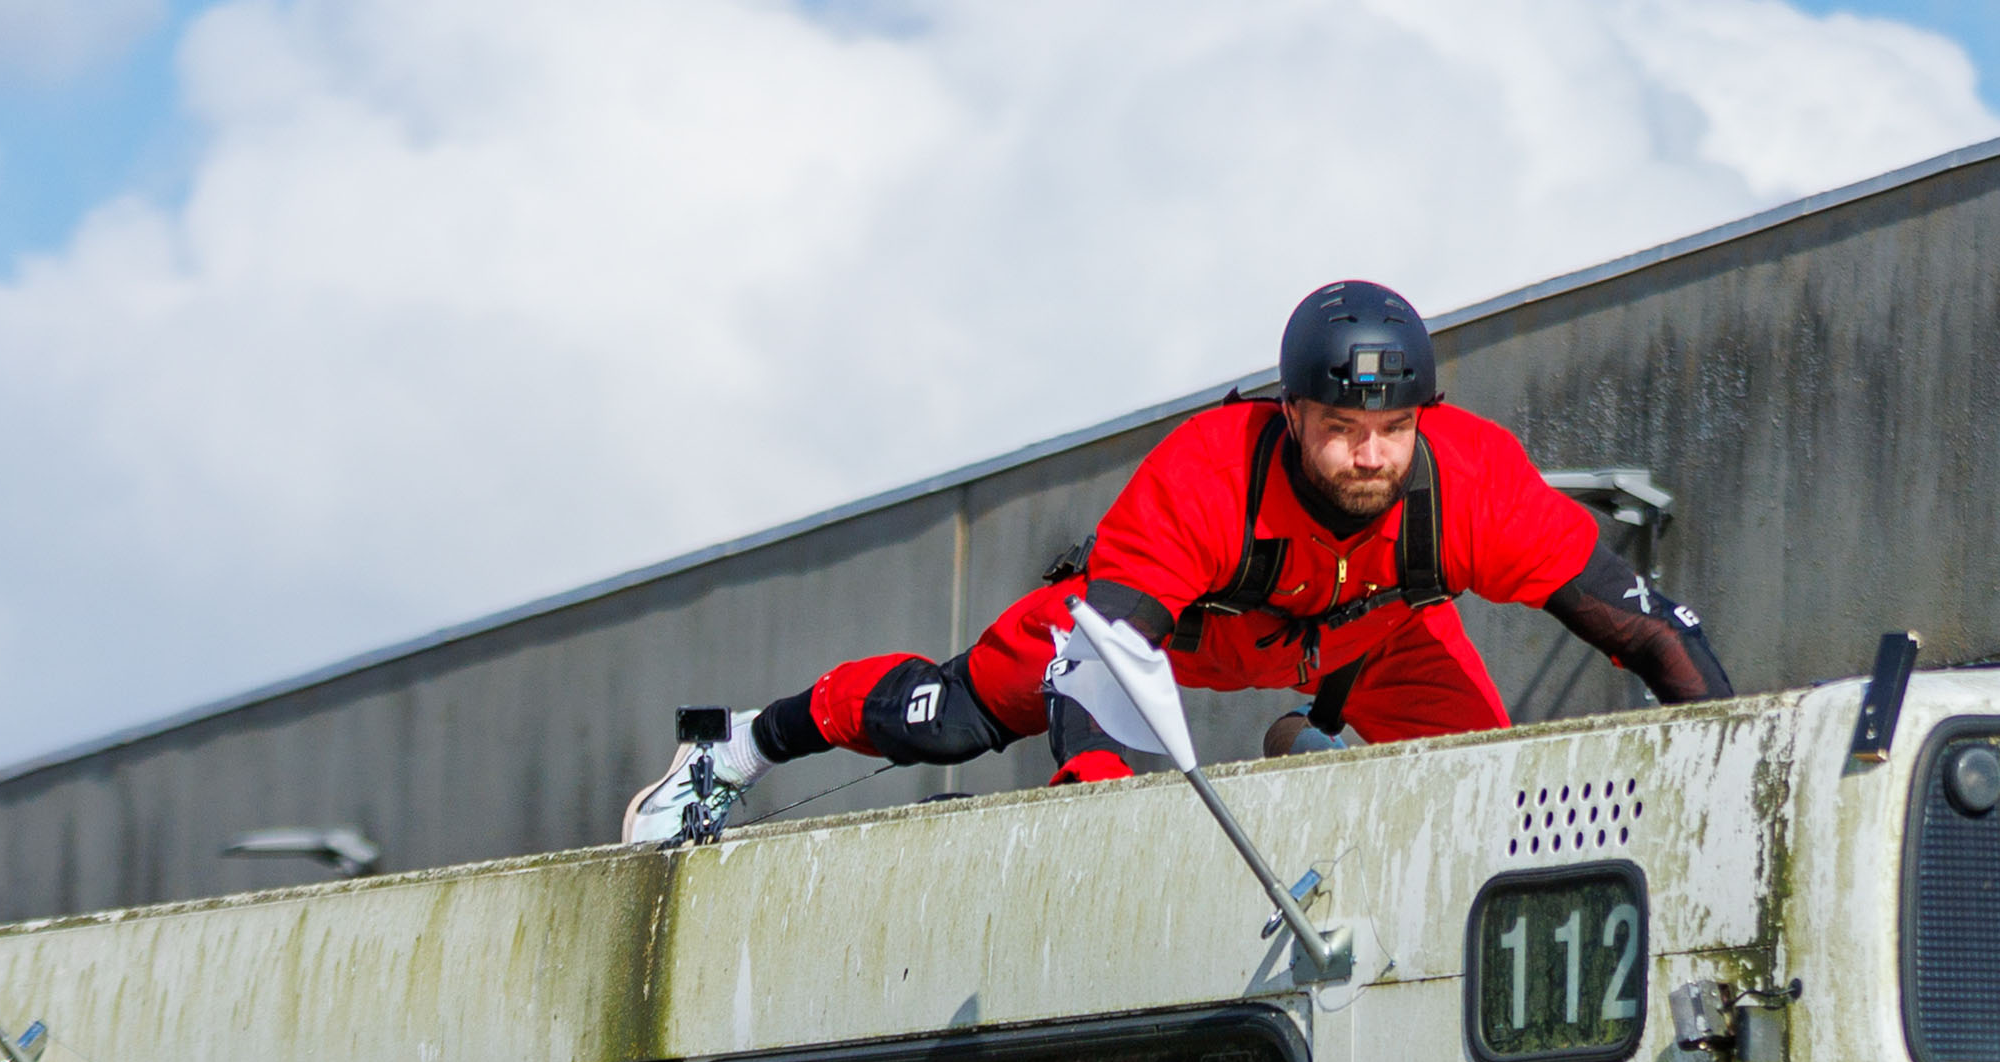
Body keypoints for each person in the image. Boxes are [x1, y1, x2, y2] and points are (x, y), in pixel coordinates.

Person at [622, 281, 1732, 839]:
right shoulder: (1205, 476)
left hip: (1374, 640)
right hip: (1171, 641)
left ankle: (1316, 739)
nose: (1370, 456)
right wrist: (1109, 843)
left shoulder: (1473, 478)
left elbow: (1649, 630)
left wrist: (1727, 779)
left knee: (1488, 803)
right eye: (1342, 429)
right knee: (948, 719)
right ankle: (738, 745)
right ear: (1291, 414)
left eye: (1393, 430)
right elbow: (1102, 684)